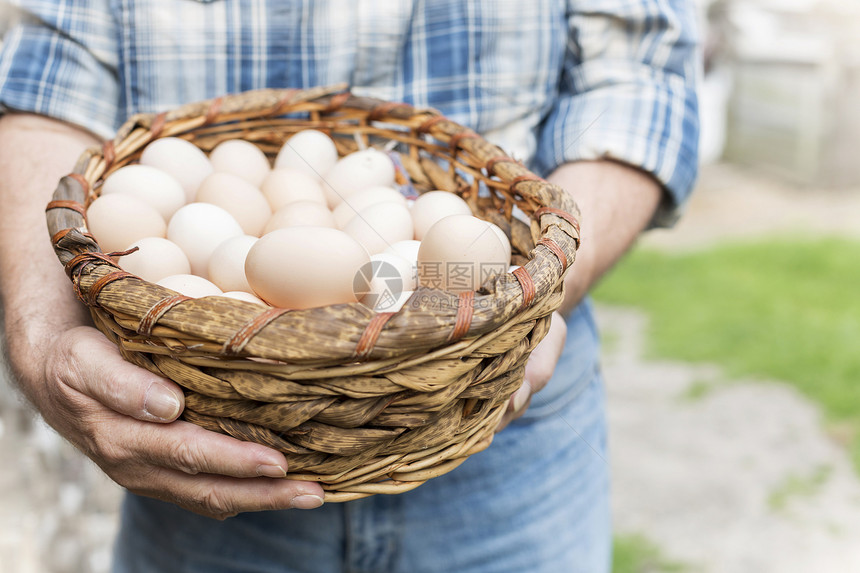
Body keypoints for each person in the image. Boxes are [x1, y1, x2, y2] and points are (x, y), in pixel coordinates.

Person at [0, 1, 699, 572]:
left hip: (500, 417)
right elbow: (45, 89)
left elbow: (640, 77)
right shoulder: (254, 220)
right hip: (208, 415)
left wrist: (528, 297)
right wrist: (41, 327)